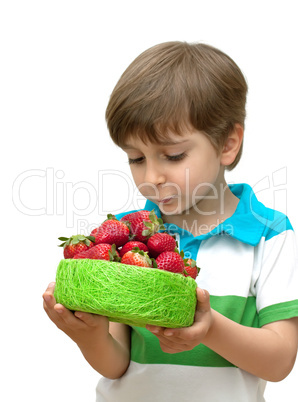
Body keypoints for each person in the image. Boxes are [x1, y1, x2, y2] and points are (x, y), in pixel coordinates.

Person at [43, 41, 298, 401]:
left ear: (227, 144)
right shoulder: (131, 237)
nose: (152, 176)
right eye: (135, 158)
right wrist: (90, 336)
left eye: (173, 156)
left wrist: (207, 328)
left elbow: (280, 361)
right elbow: (118, 364)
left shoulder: (270, 235)